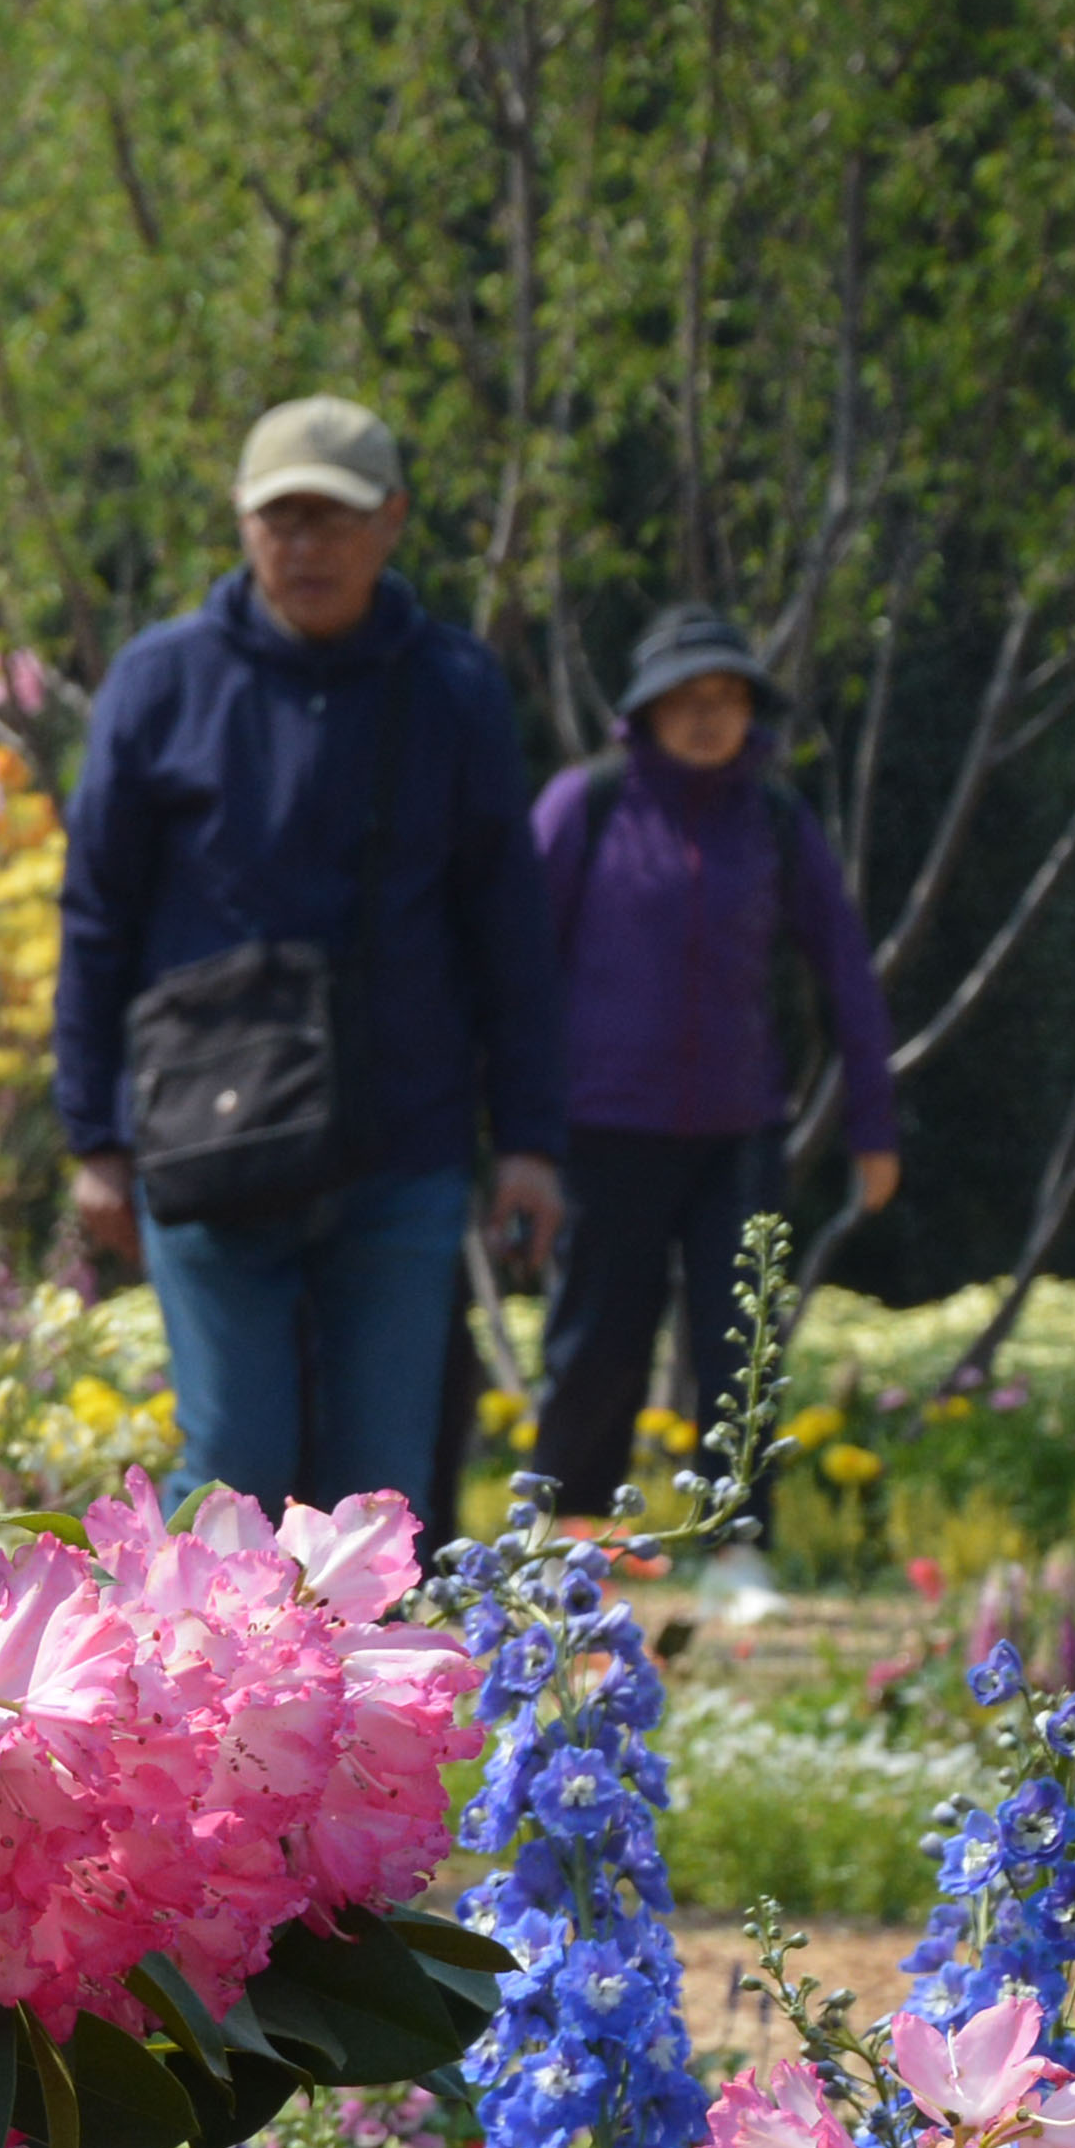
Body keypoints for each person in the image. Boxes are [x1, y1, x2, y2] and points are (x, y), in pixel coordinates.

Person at [54, 397, 566, 1520]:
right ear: (241, 523)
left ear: (393, 521)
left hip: (402, 1143)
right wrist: (95, 1135)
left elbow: (510, 929)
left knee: (376, 1496)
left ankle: (366, 1652)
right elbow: (96, 917)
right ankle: (190, 1649)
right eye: (280, 518)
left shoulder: (455, 687)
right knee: (231, 1472)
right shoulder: (160, 682)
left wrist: (530, 1140)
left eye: (333, 518)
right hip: (210, 1136)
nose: (305, 546)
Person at [522, 603, 898, 1522]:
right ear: (645, 709)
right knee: (597, 1337)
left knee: (744, 1341)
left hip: (739, 1130)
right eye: (686, 697)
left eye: (728, 697)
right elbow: (514, 962)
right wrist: (512, 1124)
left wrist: (874, 1126)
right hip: (603, 1125)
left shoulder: (775, 818)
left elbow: (845, 973)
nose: (707, 716)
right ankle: (568, 1533)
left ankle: (736, 1539)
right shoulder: (586, 803)